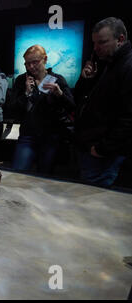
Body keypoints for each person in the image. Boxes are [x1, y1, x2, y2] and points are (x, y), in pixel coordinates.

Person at [74, 17, 132, 187]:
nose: (96, 48)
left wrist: (102, 149)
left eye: (102, 42)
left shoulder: (127, 66)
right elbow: (83, 100)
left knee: (94, 202)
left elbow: (128, 117)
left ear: (120, 39)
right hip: (92, 147)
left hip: (103, 154)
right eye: (94, 43)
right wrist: (86, 81)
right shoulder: (110, 62)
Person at [9, 44, 76, 174]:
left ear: (45, 59)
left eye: (35, 62)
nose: (31, 67)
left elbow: (71, 106)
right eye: (27, 64)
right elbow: (12, 109)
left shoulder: (57, 80)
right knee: (17, 173)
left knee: (44, 177)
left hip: (50, 137)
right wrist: (26, 94)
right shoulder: (21, 80)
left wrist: (60, 94)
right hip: (28, 135)